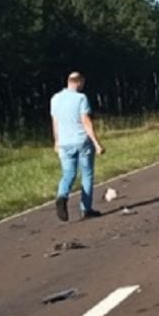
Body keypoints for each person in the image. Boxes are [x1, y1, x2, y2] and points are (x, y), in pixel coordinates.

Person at [51, 71, 105, 222]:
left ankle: (62, 196)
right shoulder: (81, 98)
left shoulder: (55, 99)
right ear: (79, 82)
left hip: (64, 143)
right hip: (81, 141)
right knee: (87, 173)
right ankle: (85, 209)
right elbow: (85, 121)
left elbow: (55, 122)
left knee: (68, 173)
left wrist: (56, 141)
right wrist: (96, 143)